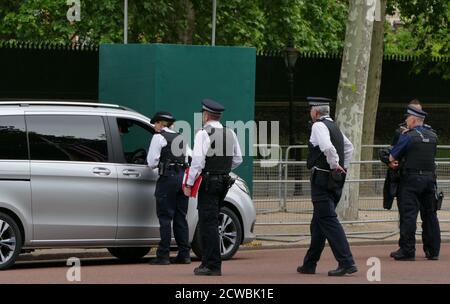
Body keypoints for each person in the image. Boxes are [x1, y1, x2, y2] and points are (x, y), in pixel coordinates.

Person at [297, 97, 357, 276]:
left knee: (328, 221)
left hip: (323, 178)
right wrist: (343, 167)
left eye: (310, 110)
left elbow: (327, 147)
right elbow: (349, 147)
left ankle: (347, 262)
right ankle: (310, 263)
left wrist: (334, 164)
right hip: (336, 179)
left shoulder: (318, 126)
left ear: (315, 111)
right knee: (319, 223)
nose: (310, 113)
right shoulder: (334, 127)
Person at [183, 99, 242, 276]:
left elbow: (198, 162)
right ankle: (209, 263)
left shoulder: (203, 133)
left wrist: (189, 183)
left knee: (208, 224)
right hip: (224, 181)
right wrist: (222, 170)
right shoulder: (230, 132)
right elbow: (238, 159)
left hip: (208, 182)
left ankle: (211, 265)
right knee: (213, 221)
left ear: (206, 115)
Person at [382, 100, 438, 260]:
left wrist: (390, 159)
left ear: (413, 120)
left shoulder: (408, 136)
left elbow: (393, 156)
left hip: (411, 179)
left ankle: (407, 250)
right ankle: (433, 251)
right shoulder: (433, 136)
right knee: (430, 214)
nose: (406, 121)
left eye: (408, 118)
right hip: (429, 179)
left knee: (408, 215)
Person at [147, 111, 191, 265]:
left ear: (160, 123)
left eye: (155, 124)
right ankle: (184, 254)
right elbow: (188, 159)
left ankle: (163, 255)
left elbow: (151, 162)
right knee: (180, 217)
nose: (154, 127)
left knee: (165, 218)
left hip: (167, 179)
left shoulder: (158, 137)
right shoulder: (181, 138)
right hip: (182, 178)